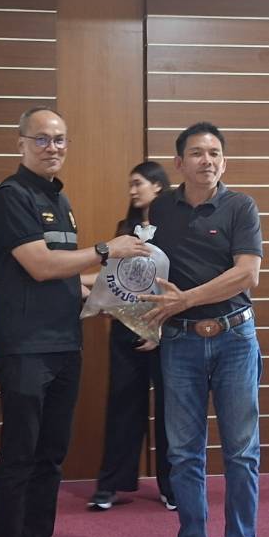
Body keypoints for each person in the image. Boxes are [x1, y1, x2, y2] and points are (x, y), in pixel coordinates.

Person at [0, 106, 149, 537]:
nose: (52, 147)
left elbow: (64, 276)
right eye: (42, 139)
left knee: (50, 457)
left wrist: (118, 291)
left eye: (59, 140)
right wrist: (106, 251)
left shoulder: (59, 198)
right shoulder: (9, 197)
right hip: (24, 346)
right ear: (20, 143)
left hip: (64, 343)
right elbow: (38, 265)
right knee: (19, 456)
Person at [143, 122, 265, 537]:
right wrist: (145, 320)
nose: (207, 160)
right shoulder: (160, 209)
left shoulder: (241, 206)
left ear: (224, 161)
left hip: (235, 339)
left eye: (214, 153)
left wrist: (186, 300)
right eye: (197, 153)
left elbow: (247, 274)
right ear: (179, 163)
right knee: (183, 452)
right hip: (179, 342)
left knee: (241, 451)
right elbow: (148, 272)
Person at [87, 160, 176, 513]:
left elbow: (176, 281)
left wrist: (159, 329)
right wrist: (76, 283)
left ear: (158, 185)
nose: (132, 190)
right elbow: (112, 280)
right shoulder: (125, 231)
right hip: (126, 330)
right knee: (122, 407)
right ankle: (110, 485)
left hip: (167, 329)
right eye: (131, 184)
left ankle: (172, 486)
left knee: (171, 413)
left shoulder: (175, 228)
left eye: (138, 183)